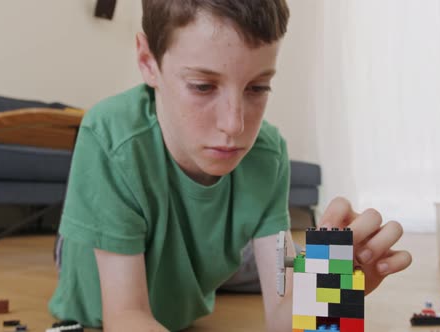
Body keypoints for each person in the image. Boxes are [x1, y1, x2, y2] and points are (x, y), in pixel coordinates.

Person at [48, 1, 412, 331]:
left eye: (257, 88)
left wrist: (335, 288)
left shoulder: (268, 153)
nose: (234, 126)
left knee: (287, 267)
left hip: (197, 259)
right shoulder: (109, 133)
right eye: (203, 86)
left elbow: (285, 318)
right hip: (87, 268)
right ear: (148, 62)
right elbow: (125, 316)